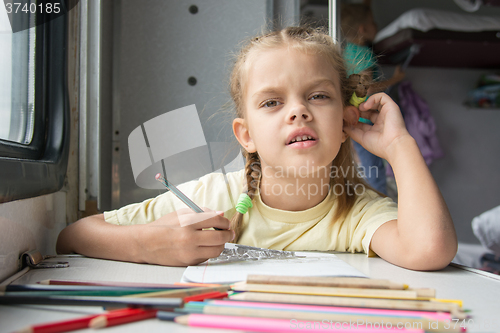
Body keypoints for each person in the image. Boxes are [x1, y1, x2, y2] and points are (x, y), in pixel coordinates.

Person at [57, 26, 457, 271]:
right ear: (245, 135)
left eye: (318, 96)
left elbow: (430, 249)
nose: (298, 111)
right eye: (272, 102)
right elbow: (74, 236)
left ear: (344, 123)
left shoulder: (355, 212)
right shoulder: (213, 198)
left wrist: (400, 145)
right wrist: (150, 244)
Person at [341, 3, 405, 194]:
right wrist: (395, 79)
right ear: (363, 29)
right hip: (364, 118)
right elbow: (366, 88)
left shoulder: (348, 51)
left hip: (353, 116)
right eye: (372, 22)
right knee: (375, 170)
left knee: (368, 167)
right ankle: (380, 207)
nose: (376, 25)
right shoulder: (363, 53)